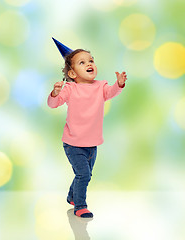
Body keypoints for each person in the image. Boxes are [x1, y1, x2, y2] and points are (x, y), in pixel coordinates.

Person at [47, 42, 127, 218]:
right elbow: (53, 104)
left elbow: (112, 92)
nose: (89, 64)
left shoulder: (100, 87)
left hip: (92, 143)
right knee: (83, 174)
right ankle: (80, 206)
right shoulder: (70, 89)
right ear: (72, 73)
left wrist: (119, 84)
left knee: (84, 174)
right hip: (73, 143)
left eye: (91, 60)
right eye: (82, 62)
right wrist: (54, 93)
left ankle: (72, 196)